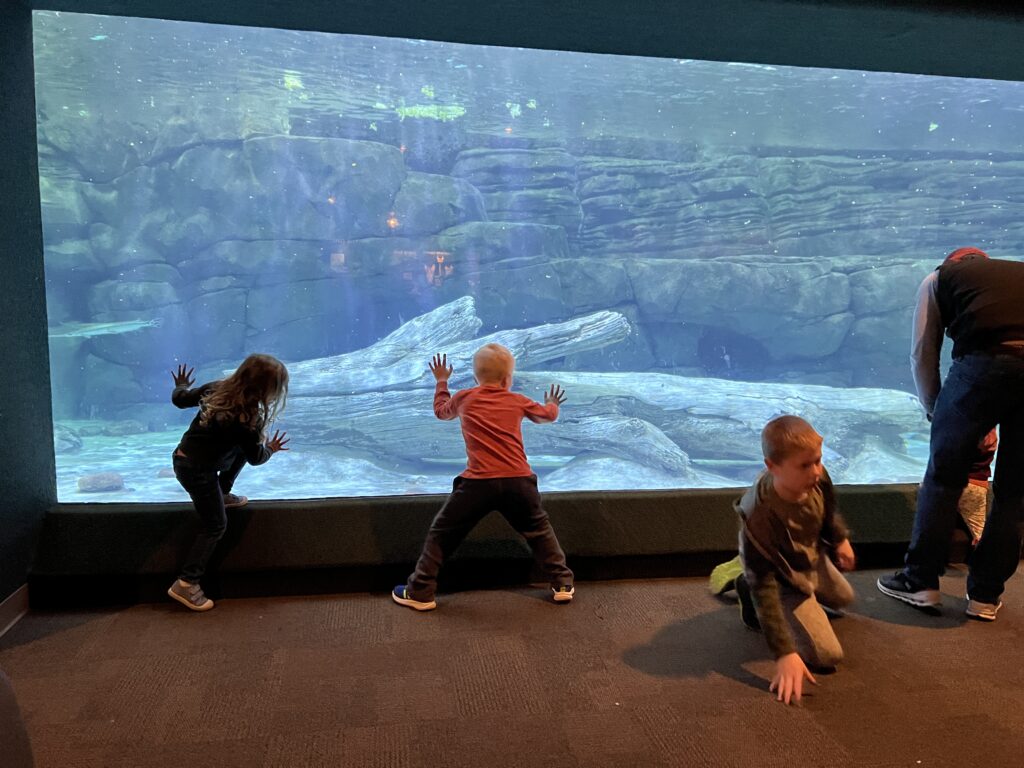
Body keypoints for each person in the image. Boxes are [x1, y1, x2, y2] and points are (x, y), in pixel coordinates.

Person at [878, 248, 1024, 621]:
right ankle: (986, 597)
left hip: (982, 365)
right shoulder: (1013, 274)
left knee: (944, 477)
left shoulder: (939, 279)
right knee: (1015, 493)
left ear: (952, 263)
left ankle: (920, 582)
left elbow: (923, 352)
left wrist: (935, 409)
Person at [392, 344, 575, 611]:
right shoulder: (518, 400)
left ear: (476, 377)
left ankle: (420, 590)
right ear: (507, 380)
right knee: (539, 531)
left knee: (442, 534)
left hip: (478, 483)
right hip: (519, 482)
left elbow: (441, 411)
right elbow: (546, 416)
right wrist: (553, 404)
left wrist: (442, 381)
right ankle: (562, 583)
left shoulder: (465, 398)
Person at [734, 415, 856, 705]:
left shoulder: (817, 475)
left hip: (808, 556)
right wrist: (784, 652)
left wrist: (839, 539)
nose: (816, 471)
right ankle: (745, 585)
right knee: (827, 656)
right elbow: (765, 587)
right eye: (805, 465)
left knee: (843, 598)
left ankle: (797, 590)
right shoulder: (759, 516)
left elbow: (827, 509)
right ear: (772, 467)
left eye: (818, 460)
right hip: (780, 576)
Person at [168, 354, 290, 611]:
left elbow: (180, 400)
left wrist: (181, 386)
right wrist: (270, 448)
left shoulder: (215, 388)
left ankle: (221, 493)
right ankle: (186, 583)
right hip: (199, 473)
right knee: (216, 525)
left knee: (238, 450)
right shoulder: (247, 420)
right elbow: (256, 458)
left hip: (185, 460)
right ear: (269, 390)